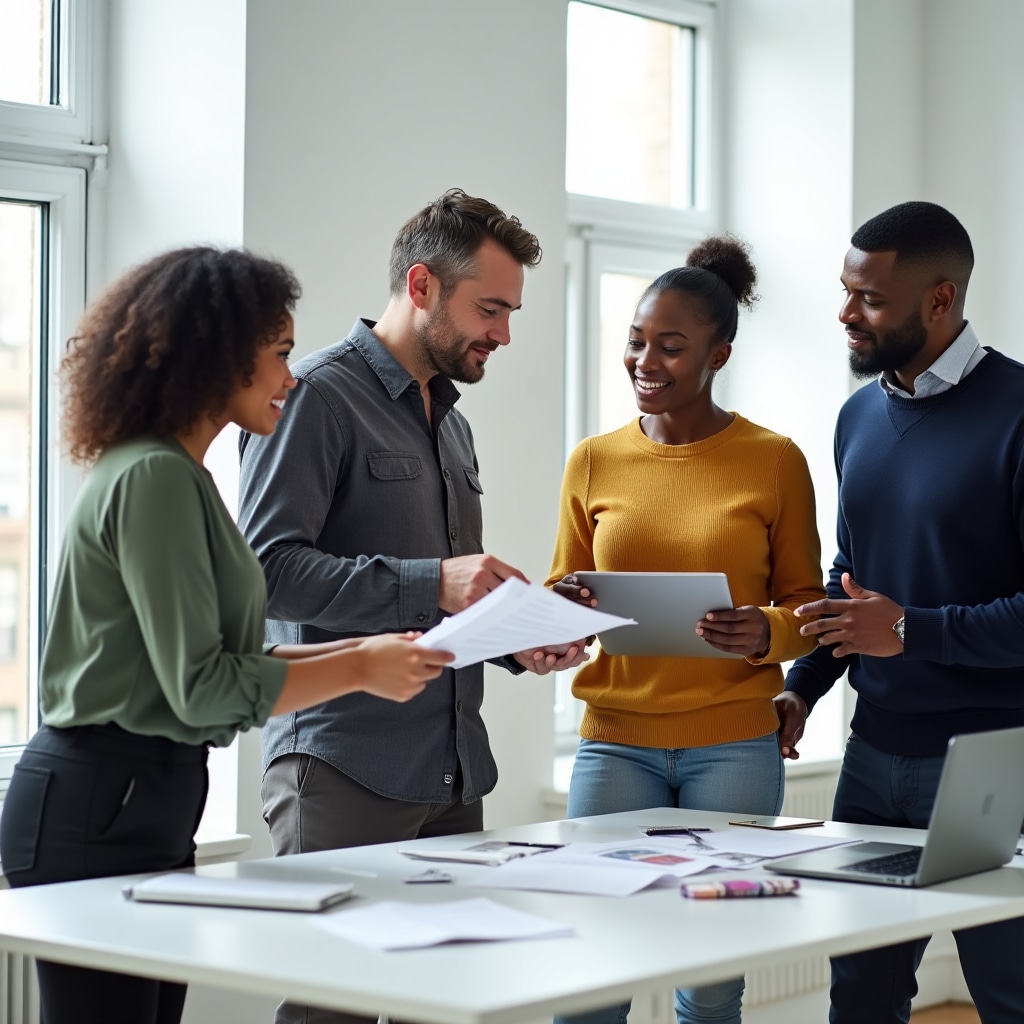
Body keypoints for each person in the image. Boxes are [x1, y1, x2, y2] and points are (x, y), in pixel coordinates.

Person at [0, 247, 455, 1024]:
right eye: (278, 353)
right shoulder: (153, 478)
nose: (291, 377)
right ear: (216, 357)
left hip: (142, 798)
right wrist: (358, 669)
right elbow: (204, 688)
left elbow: (227, 660)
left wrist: (365, 655)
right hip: (99, 802)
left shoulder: (182, 476)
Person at [237, 189, 587, 1024]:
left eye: (510, 313)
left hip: (452, 772)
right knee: (334, 1012)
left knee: (446, 1006)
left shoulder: (454, 424)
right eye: (490, 310)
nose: (503, 334)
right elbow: (264, 574)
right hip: (344, 771)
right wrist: (432, 582)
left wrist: (519, 638)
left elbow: (447, 599)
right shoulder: (315, 396)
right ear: (422, 285)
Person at [546, 236, 825, 1024]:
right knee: (590, 973)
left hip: (734, 746)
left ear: (718, 354)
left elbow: (807, 606)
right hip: (615, 742)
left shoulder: (774, 460)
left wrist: (764, 630)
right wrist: (564, 607)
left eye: (670, 346)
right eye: (636, 340)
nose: (645, 361)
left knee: (709, 983)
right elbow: (561, 587)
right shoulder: (592, 460)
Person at [775, 200, 1024, 1024]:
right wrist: (804, 686)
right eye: (846, 292)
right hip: (871, 758)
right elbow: (853, 581)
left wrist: (912, 630)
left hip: (993, 765)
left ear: (940, 300)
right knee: (862, 996)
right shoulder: (857, 417)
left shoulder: (1019, 411)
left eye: (871, 299)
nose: (846, 314)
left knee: (1008, 992)